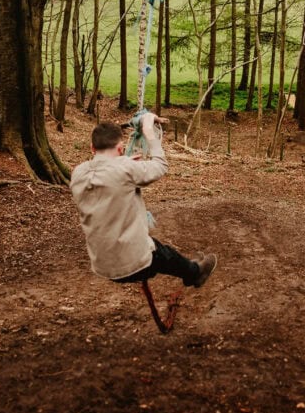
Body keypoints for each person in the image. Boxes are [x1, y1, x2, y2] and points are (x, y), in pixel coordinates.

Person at [70, 112, 217, 288]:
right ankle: (196, 273)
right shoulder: (125, 169)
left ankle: (190, 268)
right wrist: (148, 132)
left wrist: (124, 163)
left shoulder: (78, 173)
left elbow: (108, 174)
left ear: (92, 148)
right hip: (133, 266)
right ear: (120, 148)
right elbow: (161, 166)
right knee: (164, 254)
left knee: (161, 250)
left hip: (101, 265)